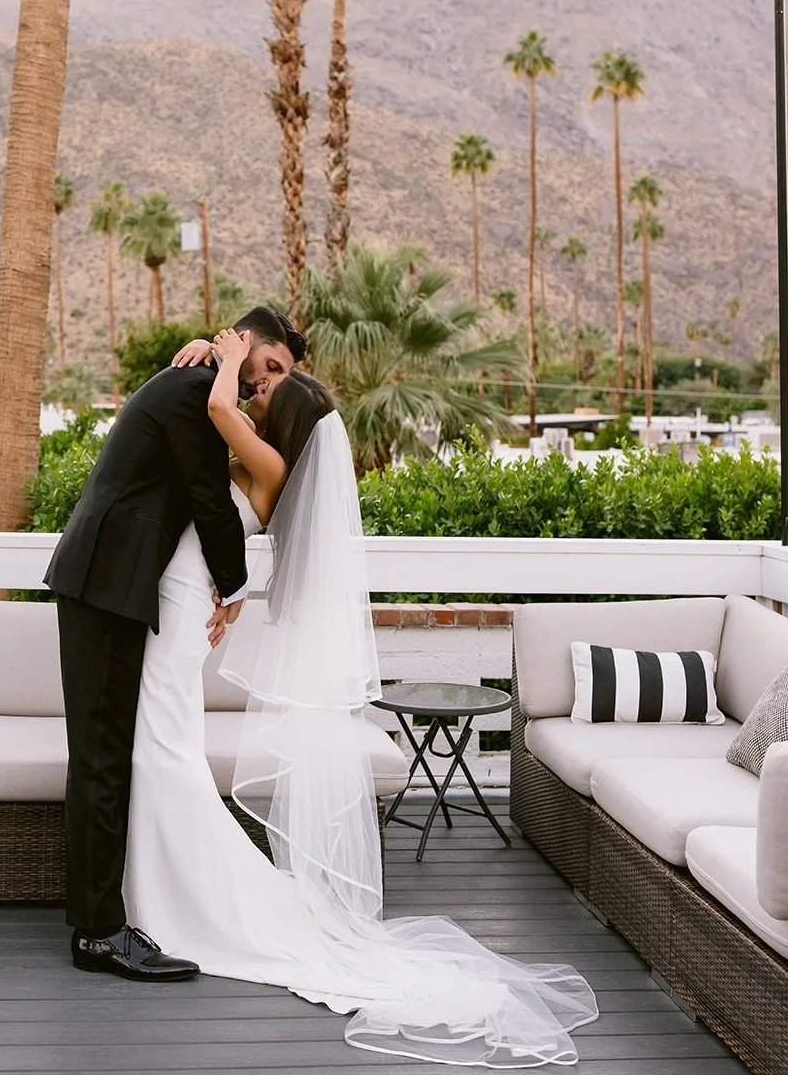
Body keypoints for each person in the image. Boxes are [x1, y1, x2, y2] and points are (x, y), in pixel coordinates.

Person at [120, 326, 599, 1066]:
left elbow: (215, 411)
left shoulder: (268, 461)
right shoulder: (264, 451)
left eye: (269, 385)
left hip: (185, 607)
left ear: (286, 423)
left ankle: (181, 898)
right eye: (259, 377)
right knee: (162, 744)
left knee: (160, 748)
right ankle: (166, 891)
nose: (255, 385)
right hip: (183, 598)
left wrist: (218, 350)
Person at [44, 306, 303, 982]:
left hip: (122, 587)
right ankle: (98, 934)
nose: (261, 384)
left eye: (278, 377)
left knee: (111, 752)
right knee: (100, 756)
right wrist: (235, 589)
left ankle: (127, 910)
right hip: (105, 582)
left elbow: (207, 496)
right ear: (243, 340)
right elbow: (206, 500)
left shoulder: (198, 383)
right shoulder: (195, 390)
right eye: (266, 365)